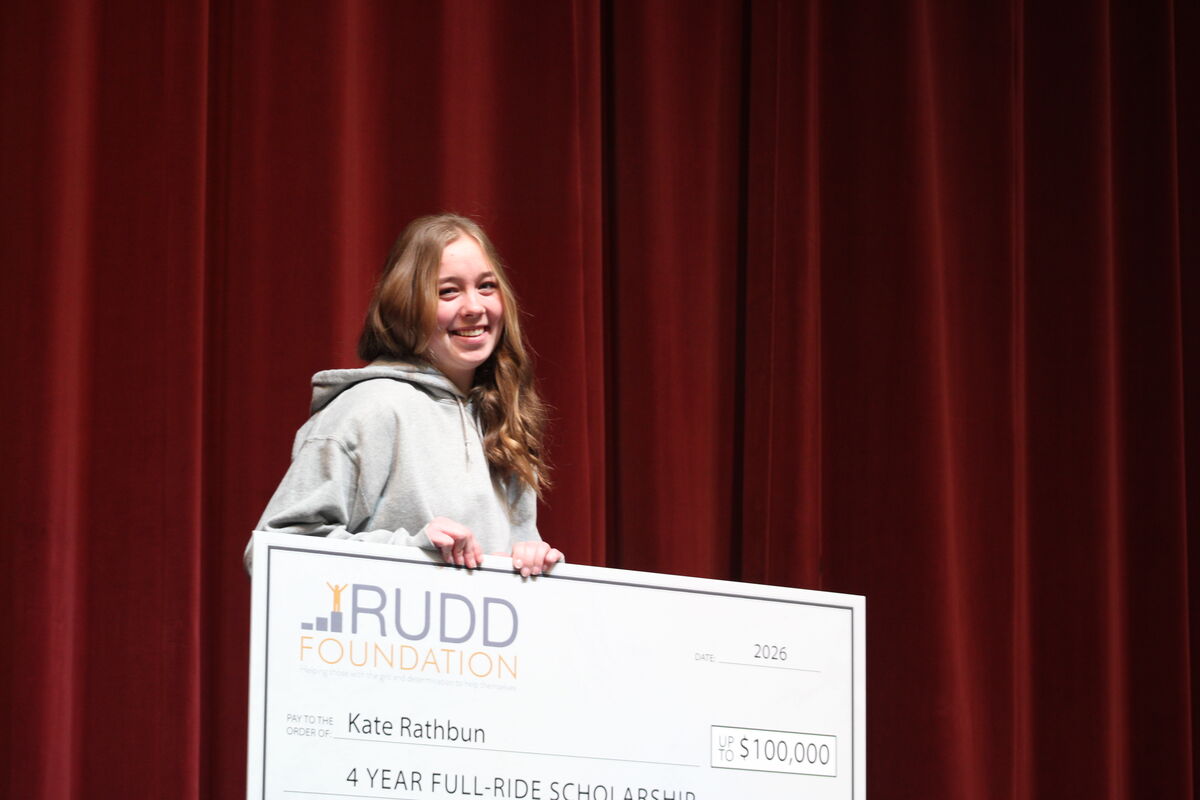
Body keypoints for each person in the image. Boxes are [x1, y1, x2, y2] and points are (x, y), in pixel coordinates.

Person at [244, 213, 562, 577]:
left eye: (486, 286)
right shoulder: (369, 409)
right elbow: (274, 551)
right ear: (406, 304)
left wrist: (533, 564)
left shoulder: (501, 416)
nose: (474, 307)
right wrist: (413, 552)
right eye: (448, 291)